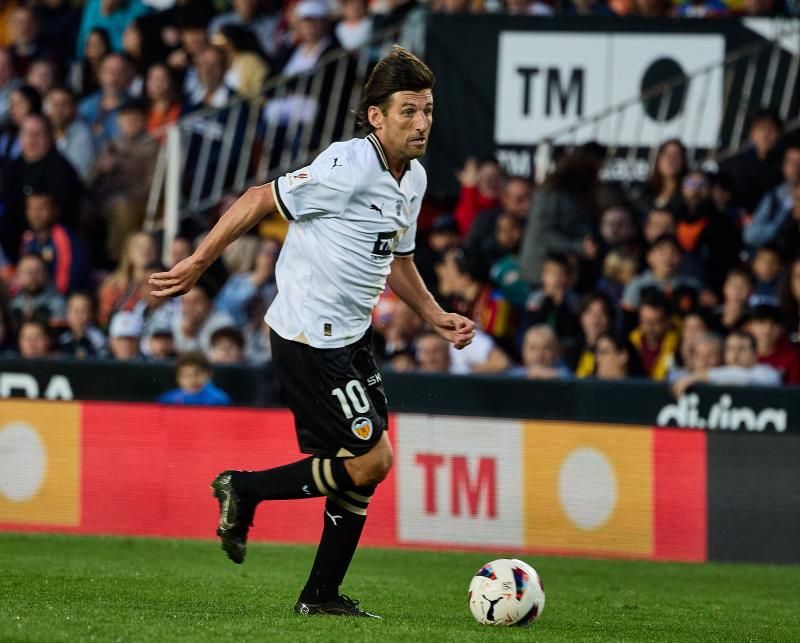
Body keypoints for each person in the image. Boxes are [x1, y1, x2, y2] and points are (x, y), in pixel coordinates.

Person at [149, 46, 475, 618]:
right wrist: (198, 263)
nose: (421, 123)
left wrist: (433, 315)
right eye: (408, 111)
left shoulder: (413, 179)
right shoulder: (346, 166)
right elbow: (257, 199)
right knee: (373, 460)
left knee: (362, 467)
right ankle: (243, 489)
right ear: (376, 115)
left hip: (350, 338)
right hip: (308, 338)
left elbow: (396, 257)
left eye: (427, 111)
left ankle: (320, 595)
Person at [20, 191, 91, 295]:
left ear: (55, 210)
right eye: (32, 208)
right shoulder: (28, 239)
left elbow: (68, 283)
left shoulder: (65, 239)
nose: (36, 214)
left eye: (42, 208)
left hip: (60, 301)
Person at [671, 330, 781, 397]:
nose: (735, 355)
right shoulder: (719, 375)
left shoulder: (766, 373)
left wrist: (695, 377)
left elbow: (743, 377)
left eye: (742, 349)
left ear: (754, 354)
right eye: (731, 349)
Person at [158, 351, 232, 405]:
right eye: (186, 376)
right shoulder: (167, 399)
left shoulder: (220, 399)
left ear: (209, 374)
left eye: (197, 374)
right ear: (177, 378)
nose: (192, 380)